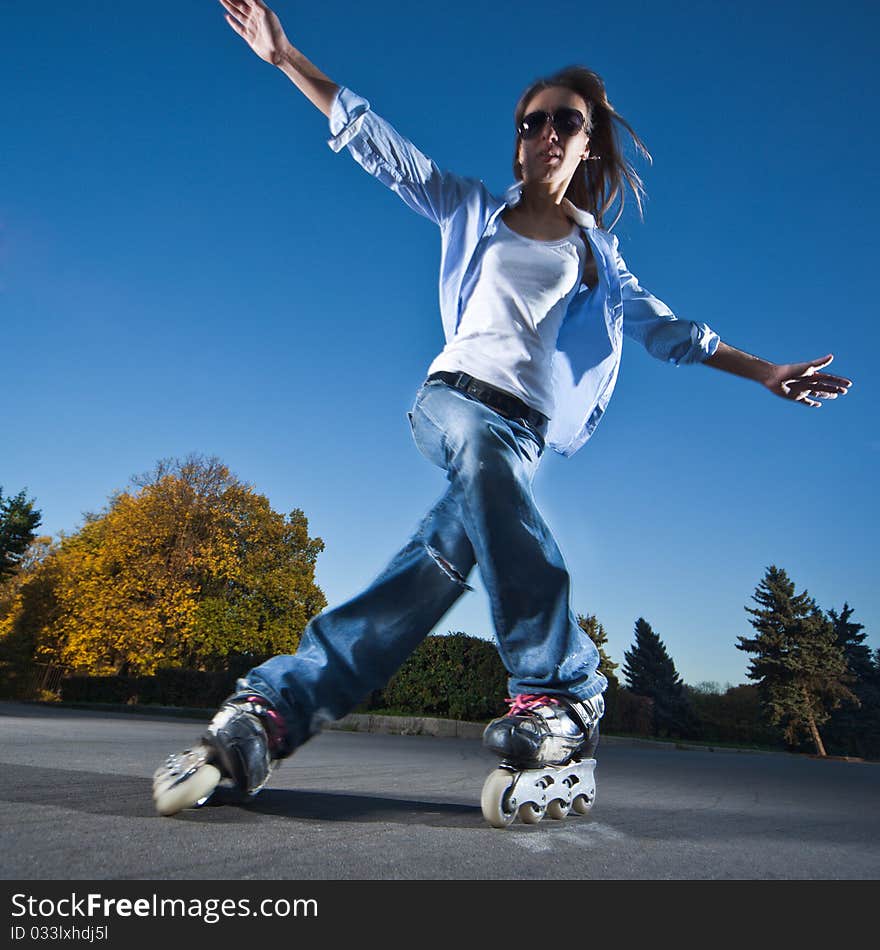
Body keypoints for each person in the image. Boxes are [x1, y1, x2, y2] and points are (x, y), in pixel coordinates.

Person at [153, 0, 853, 821]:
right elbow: (381, 148)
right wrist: (288, 59)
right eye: (532, 121)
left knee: (439, 558)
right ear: (518, 138)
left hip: (521, 433)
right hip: (450, 404)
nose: (546, 132)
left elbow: (674, 332)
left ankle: (274, 714)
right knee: (479, 462)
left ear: (586, 145)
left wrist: (765, 369)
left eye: (566, 122)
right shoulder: (465, 206)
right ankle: (563, 689)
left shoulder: (598, 256)